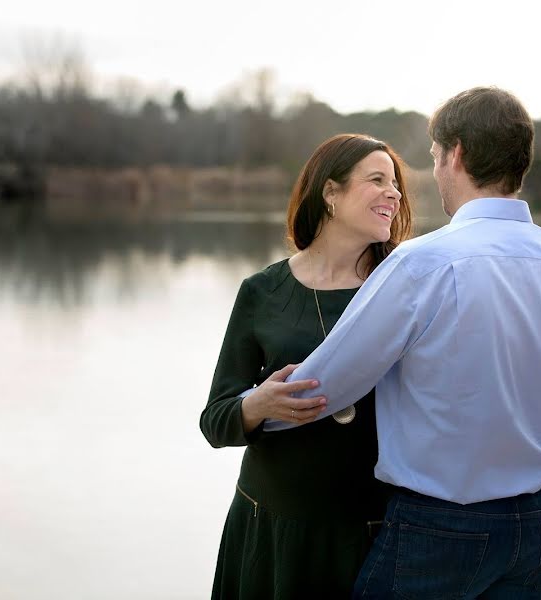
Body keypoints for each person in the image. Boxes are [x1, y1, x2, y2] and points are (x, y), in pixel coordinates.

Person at [251, 87, 541, 599]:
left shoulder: (423, 264)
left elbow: (327, 386)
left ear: (455, 154)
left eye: (434, 159)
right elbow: (531, 391)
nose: (434, 175)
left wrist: (255, 409)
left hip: (442, 529)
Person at [200, 134, 413, 599]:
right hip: (270, 531)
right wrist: (256, 405)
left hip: (376, 532)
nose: (394, 194)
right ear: (330, 193)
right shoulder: (262, 292)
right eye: (376, 180)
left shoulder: (410, 290)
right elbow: (215, 421)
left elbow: (472, 394)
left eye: (395, 184)